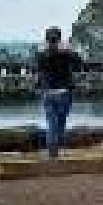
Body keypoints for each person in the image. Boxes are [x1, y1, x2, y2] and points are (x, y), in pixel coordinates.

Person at [33, 27, 83, 159]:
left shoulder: (42, 54)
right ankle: (55, 149)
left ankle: (53, 152)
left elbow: (39, 69)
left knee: (52, 123)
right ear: (59, 39)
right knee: (59, 123)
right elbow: (79, 63)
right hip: (64, 93)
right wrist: (68, 50)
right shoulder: (65, 53)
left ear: (47, 40)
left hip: (49, 93)